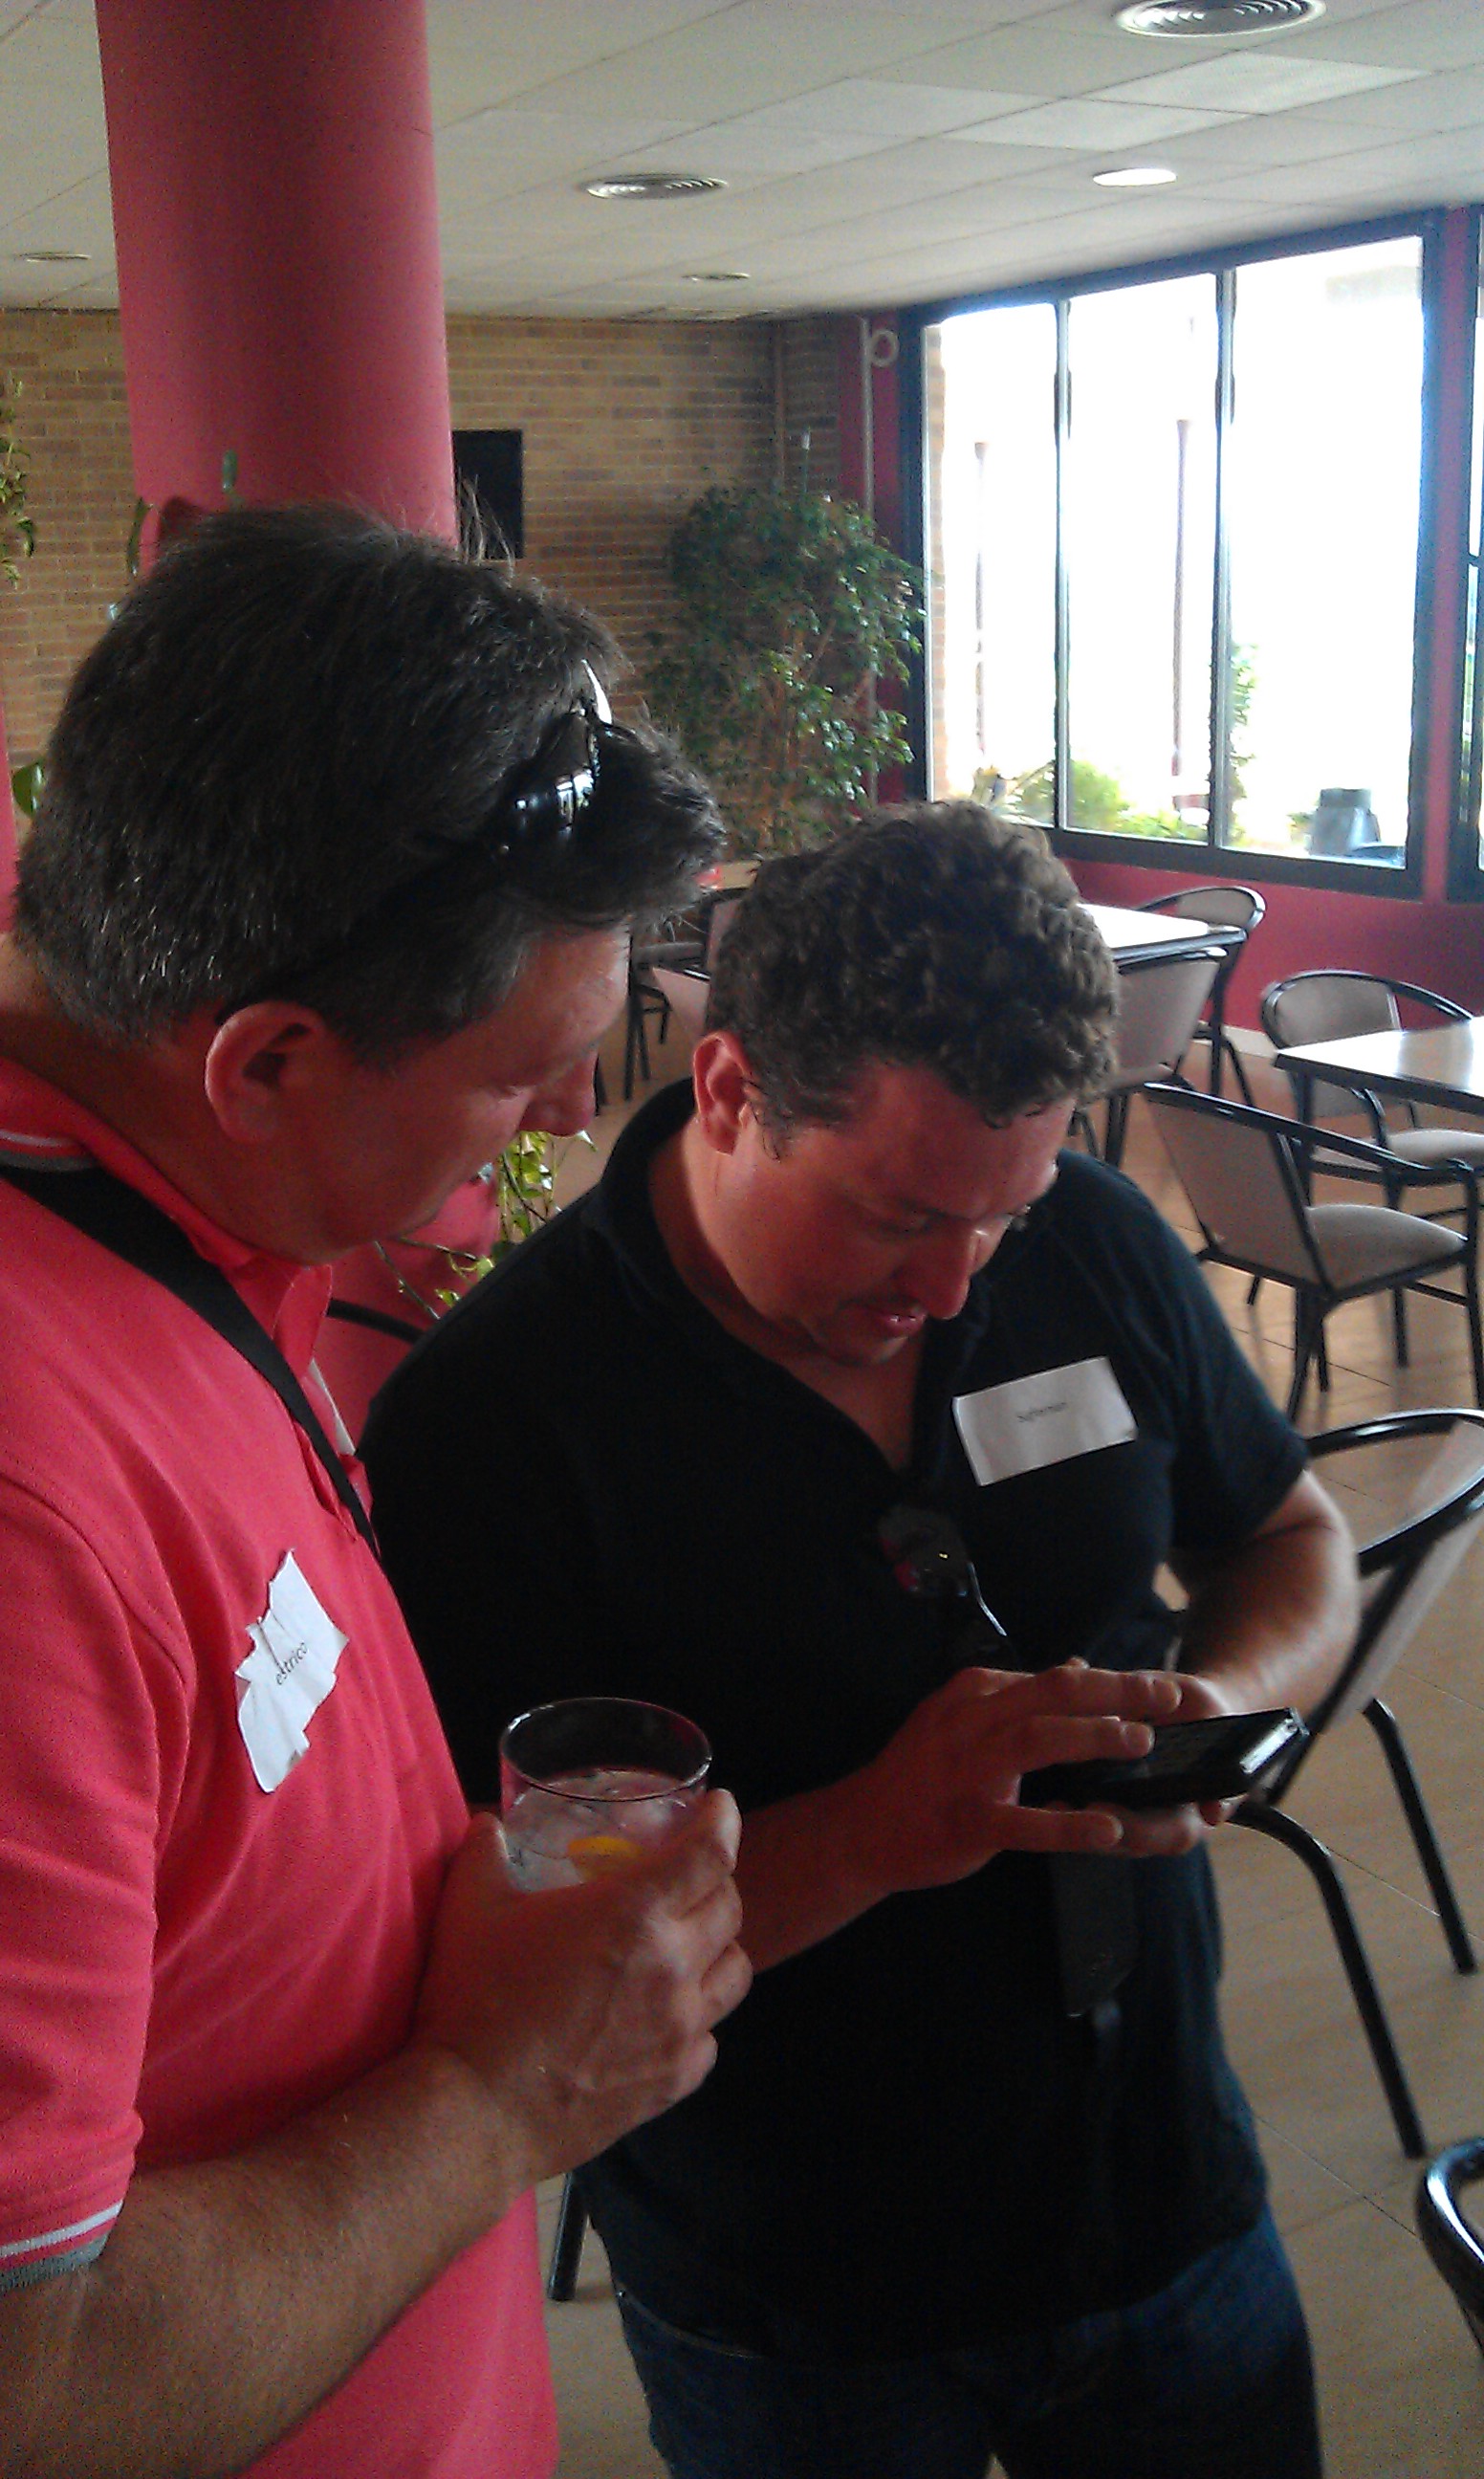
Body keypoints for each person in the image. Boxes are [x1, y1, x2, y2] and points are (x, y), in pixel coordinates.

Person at [364, 805, 1358, 2479]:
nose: (959, 1285)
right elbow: (514, 1966)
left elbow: (1290, 1538)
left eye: (1005, 1214)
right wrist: (886, 1828)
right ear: (731, 1089)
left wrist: (1211, 1704)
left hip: (1162, 2185)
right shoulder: (500, 1428)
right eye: (898, 1216)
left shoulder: (1092, 1244)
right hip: (796, 2288)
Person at [0, 503, 756, 2479]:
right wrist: (502, 2098)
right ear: (262, 1065)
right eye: (525, 1074)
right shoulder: (25, 1504)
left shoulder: (172, 1215)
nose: (579, 1114)